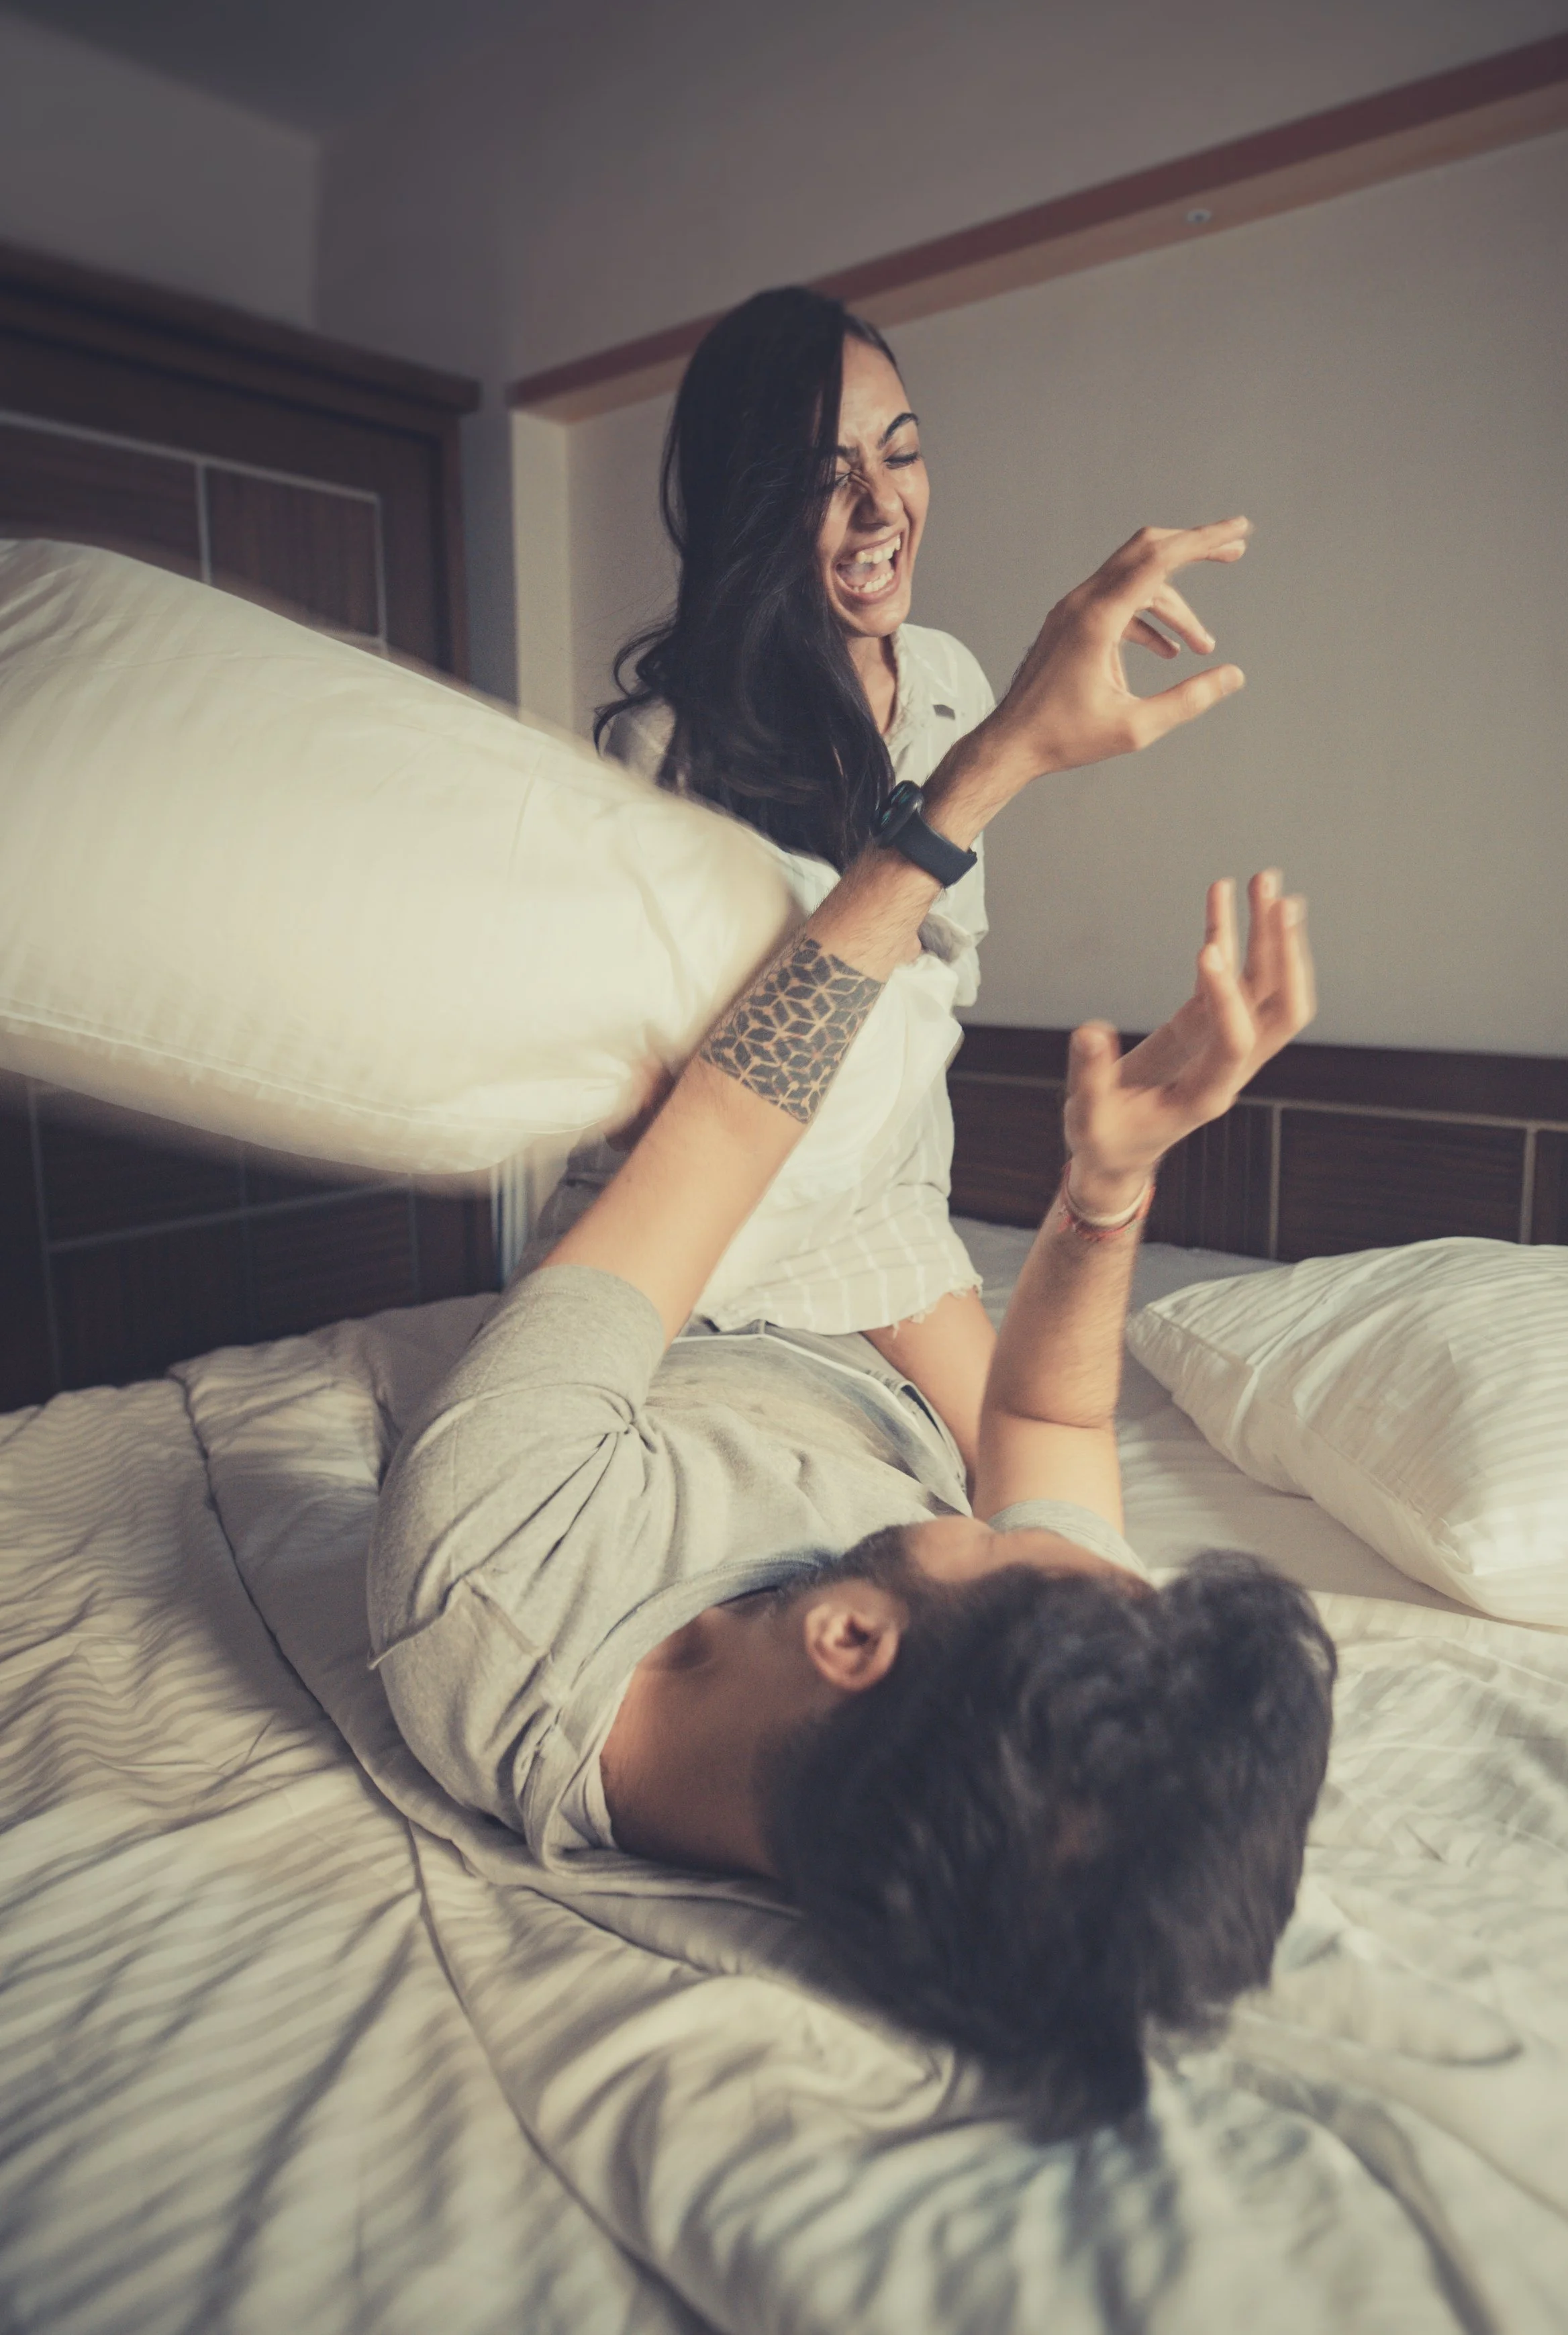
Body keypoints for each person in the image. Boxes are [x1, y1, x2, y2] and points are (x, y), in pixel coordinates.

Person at [369, 517, 1335, 2134]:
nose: (1081, 1546)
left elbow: (725, 1138)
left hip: (695, 1278)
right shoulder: (985, 1717)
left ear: (851, 1644)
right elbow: (1042, 1434)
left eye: (1039, 1557)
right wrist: (1107, 1192)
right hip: (817, 1297)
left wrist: (982, 774)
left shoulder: (492, 1565)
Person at [538, 287, 1222, 1478]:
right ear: (753, 503)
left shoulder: (949, 681)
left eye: (900, 453)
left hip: (886, 1216)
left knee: (1037, 1496)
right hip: (701, 1214)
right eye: (823, 476)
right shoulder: (668, 748)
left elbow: (935, 986)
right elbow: (687, 1101)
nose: (879, 506)